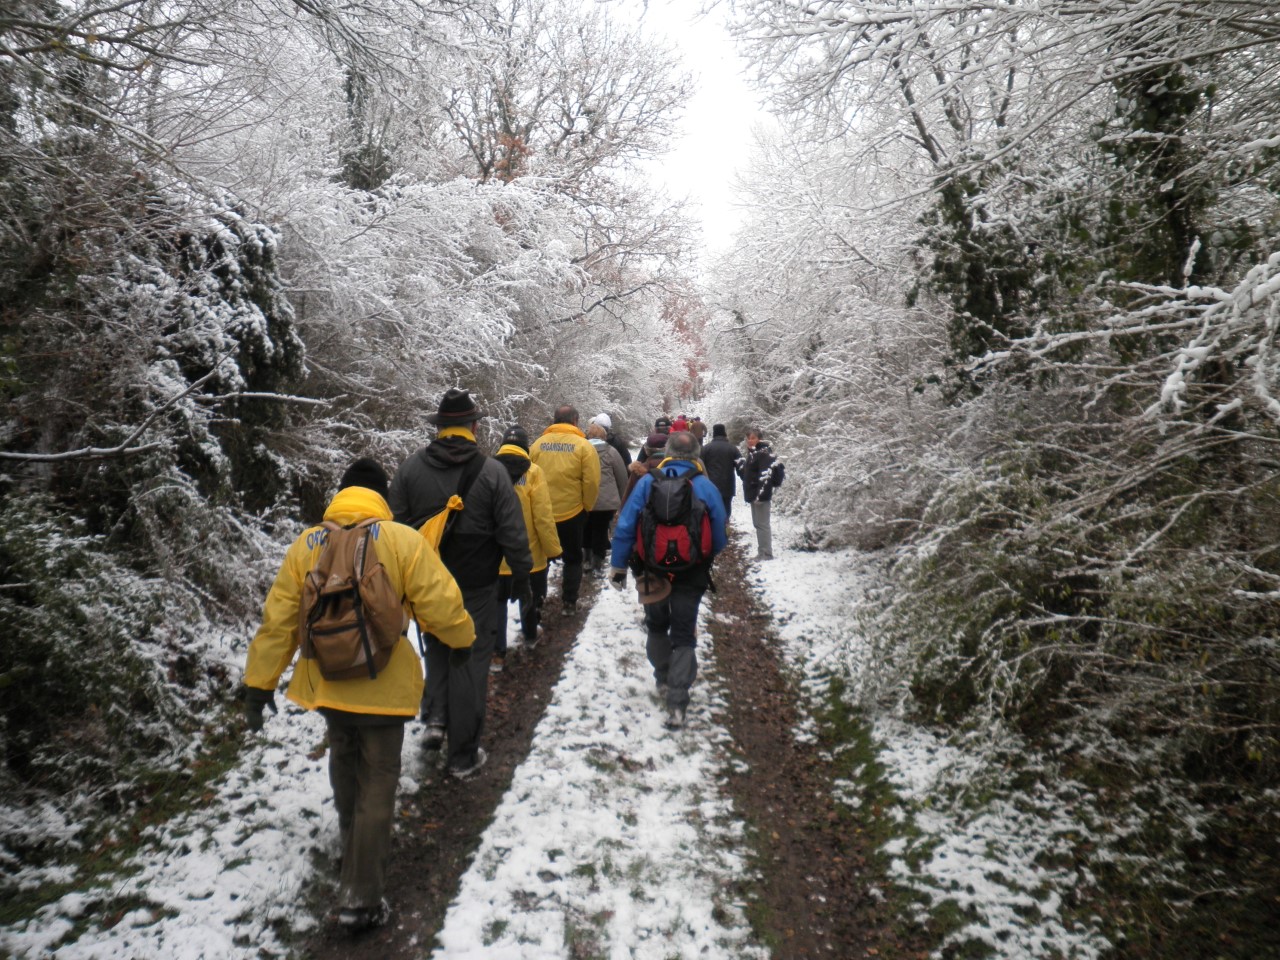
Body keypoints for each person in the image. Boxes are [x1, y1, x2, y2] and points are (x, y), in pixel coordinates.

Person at [241, 458, 475, 931]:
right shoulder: (401, 540)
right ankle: (361, 895)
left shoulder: (307, 544)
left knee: (344, 764)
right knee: (377, 785)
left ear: (341, 494)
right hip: (383, 686)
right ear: (380, 497)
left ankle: (353, 856)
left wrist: (258, 683)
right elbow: (440, 601)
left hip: (327, 683)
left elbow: (280, 620)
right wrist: (462, 640)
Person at [387, 388, 531, 777]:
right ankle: (463, 755)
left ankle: (435, 718)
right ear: (474, 427)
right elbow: (513, 533)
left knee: (436, 648)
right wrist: (522, 577)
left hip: (424, 583)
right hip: (477, 584)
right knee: (468, 658)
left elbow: (392, 528)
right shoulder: (493, 472)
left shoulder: (410, 469)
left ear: (439, 427)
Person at [609, 431, 728, 729]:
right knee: (684, 634)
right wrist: (703, 556)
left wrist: (619, 566)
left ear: (669, 452)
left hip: (652, 569)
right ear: (697, 453)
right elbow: (720, 534)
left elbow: (625, 524)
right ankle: (678, 701)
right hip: (692, 572)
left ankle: (662, 678)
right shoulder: (704, 485)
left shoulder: (648, 481)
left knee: (657, 625)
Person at [494, 425, 561, 666]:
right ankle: (531, 636)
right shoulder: (534, 473)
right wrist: (553, 549)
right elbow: (542, 516)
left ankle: (497, 654)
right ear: (526, 446)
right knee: (528, 595)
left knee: (497, 602)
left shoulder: (487, 471)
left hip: (495, 553)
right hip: (528, 553)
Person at [529, 404, 601, 613]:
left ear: (553, 420)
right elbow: (591, 482)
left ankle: (537, 603)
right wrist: (586, 507)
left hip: (541, 513)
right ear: (576, 421)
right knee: (573, 558)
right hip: (572, 512)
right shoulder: (584, 447)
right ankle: (569, 601)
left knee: (541, 560)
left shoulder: (537, 445)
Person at [584, 421, 628, 574]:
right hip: (606, 501)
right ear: (604, 436)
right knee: (600, 529)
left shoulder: (580, 450)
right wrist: (624, 497)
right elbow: (621, 476)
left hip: (584, 499)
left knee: (587, 527)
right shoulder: (611, 452)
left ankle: (587, 557)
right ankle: (597, 559)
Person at [738, 429, 785, 561]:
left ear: (759, 439)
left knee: (762, 524)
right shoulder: (754, 453)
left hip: (760, 496)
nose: (750, 440)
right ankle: (762, 551)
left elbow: (765, 477)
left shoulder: (763, 454)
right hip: (754, 494)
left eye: (753, 438)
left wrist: (760, 495)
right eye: (748, 438)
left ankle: (766, 553)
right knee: (758, 523)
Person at [700, 423, 738, 521]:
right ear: (724, 433)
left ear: (714, 433)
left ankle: (713, 530)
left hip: (710, 484)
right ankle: (725, 527)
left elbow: (700, 466)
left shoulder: (706, 449)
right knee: (726, 508)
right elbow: (740, 466)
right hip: (727, 484)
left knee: (711, 508)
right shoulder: (732, 448)